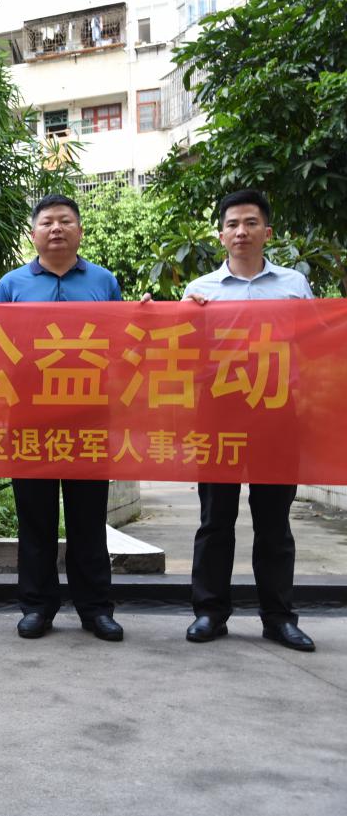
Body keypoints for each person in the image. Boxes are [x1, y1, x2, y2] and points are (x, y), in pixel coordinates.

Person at [181, 190, 315, 652]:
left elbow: (314, 345)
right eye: (233, 224)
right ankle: (209, 613)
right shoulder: (199, 290)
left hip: (277, 415)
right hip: (218, 414)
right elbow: (180, 354)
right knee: (215, 519)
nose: (241, 231)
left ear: (267, 232)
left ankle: (279, 618)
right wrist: (181, 317)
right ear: (221, 235)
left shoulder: (295, 285)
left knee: (274, 522)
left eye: (251, 223)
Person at [0, 194, 125, 642]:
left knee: (89, 520)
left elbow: (122, 342)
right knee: (36, 520)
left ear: (79, 231)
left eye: (65, 221)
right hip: (30, 419)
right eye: (47, 222)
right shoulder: (11, 285)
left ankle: (96, 609)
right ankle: (37, 607)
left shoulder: (104, 281)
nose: (56, 229)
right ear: (33, 234)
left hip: (89, 417)